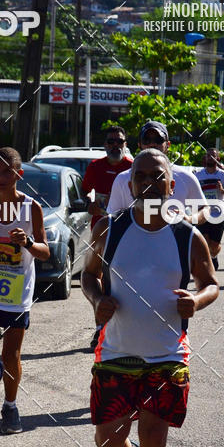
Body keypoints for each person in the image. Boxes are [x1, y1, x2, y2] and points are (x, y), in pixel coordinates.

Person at [82, 149, 219, 447]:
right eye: (140, 176)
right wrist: (96, 301)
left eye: (157, 176)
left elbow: (211, 283)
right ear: (130, 183)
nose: (148, 182)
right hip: (116, 352)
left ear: (171, 185)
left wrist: (196, 301)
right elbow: (88, 277)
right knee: (107, 438)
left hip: (167, 354)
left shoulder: (187, 236)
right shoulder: (110, 229)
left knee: (156, 437)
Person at [0, 147, 50, 434]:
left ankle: (11, 406)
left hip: (17, 289)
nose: (1, 177)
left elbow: (44, 253)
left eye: (7, 171)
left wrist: (27, 242)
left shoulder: (32, 208)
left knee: (11, 354)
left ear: (19, 173)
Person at [82, 125, 133, 349]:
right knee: (98, 280)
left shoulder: (132, 168)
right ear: (105, 145)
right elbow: (84, 191)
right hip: (101, 232)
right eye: (111, 141)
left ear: (125, 144)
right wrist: (89, 204)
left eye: (119, 141)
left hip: (129, 232)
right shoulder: (95, 166)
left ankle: (128, 329)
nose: (115, 145)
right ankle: (99, 329)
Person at [107, 120, 205, 220]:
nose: (152, 144)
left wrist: (190, 219)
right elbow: (112, 218)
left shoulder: (186, 177)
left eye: (158, 140)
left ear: (168, 144)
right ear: (139, 144)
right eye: (147, 140)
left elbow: (204, 209)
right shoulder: (122, 179)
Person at [194, 147, 224, 270]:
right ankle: (207, 263)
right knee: (204, 241)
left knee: (214, 245)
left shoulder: (223, 175)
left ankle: (214, 256)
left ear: (218, 158)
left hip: (219, 213)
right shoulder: (198, 175)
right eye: (208, 155)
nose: (210, 157)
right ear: (205, 158)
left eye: (213, 155)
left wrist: (223, 190)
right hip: (203, 212)